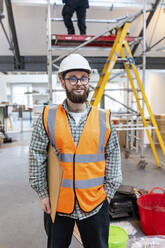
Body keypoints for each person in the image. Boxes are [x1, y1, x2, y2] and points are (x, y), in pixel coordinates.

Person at [29, 53, 122, 248]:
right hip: (57, 203)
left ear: (88, 81)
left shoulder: (104, 119)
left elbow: (113, 155)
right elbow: (36, 155)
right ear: (62, 82)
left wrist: (109, 192)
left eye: (83, 78)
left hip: (94, 204)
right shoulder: (48, 117)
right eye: (72, 78)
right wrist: (43, 193)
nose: (78, 83)